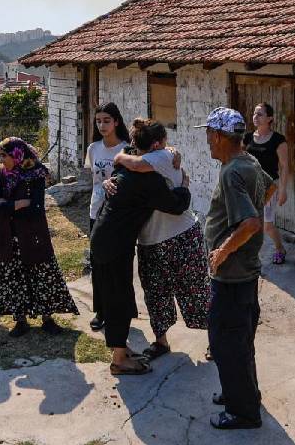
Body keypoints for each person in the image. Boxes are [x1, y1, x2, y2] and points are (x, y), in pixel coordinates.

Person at [90, 129, 193, 376]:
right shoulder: (149, 180)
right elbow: (176, 206)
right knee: (119, 300)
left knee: (118, 295)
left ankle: (121, 349)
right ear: (156, 147)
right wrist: (184, 187)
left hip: (105, 239)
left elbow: (124, 156)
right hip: (115, 244)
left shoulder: (128, 162)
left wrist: (170, 151)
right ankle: (119, 360)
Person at [109, 118, 210, 361]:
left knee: (196, 291)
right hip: (153, 240)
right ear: (158, 142)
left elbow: (137, 163)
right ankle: (161, 341)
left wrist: (119, 157)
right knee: (156, 294)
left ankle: (214, 341)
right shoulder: (156, 155)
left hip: (180, 236)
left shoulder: (161, 157)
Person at [200, 107, 275, 430]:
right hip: (244, 270)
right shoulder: (248, 161)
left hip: (232, 273)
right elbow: (270, 188)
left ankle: (243, 412)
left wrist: (221, 251)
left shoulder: (232, 172)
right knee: (240, 339)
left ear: (219, 137)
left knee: (225, 343)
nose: (206, 142)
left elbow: (251, 223)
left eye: (208, 135)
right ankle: (242, 393)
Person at [0, 137, 79, 336]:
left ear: (17, 155)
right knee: (15, 277)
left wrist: (8, 205)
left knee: (42, 274)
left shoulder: (36, 174)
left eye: (4, 155)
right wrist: (15, 204)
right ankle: (20, 320)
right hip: (9, 235)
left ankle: (47, 318)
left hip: (33, 234)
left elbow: (36, 207)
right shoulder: (2, 175)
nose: (2, 160)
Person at [83, 102, 131, 331]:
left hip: (121, 215)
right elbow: (93, 180)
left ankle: (125, 308)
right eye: (98, 121)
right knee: (98, 263)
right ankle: (101, 310)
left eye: (107, 121)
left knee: (121, 263)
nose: (102, 125)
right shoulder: (93, 148)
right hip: (96, 211)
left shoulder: (127, 149)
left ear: (117, 122)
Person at [245, 103, 291, 264]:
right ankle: (250, 254)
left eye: (260, 114)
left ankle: (280, 248)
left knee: (267, 225)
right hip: (249, 186)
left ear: (269, 118)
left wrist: (283, 190)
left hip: (269, 186)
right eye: (254, 114)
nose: (255, 117)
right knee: (248, 221)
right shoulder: (248, 138)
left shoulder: (278, 140)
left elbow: (285, 166)